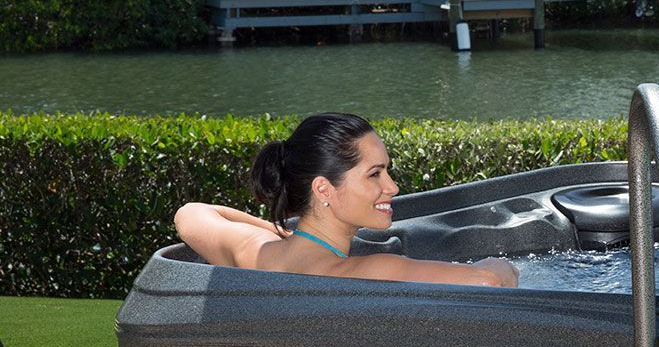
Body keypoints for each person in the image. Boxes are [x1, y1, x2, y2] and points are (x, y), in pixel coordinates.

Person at [175, 112, 518, 287]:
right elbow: (486, 281)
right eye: (375, 174)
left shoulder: (253, 251)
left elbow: (191, 213)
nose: (393, 187)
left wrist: (277, 233)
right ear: (323, 189)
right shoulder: (372, 270)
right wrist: (506, 266)